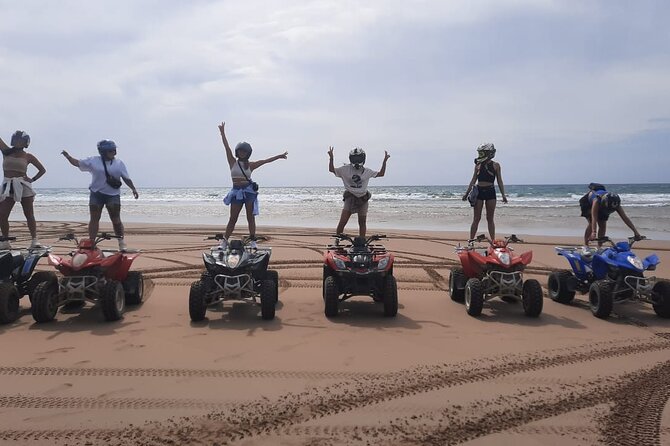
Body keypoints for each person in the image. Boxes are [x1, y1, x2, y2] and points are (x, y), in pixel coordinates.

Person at [218, 122, 287, 250]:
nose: (242, 153)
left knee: (250, 217)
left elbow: (265, 161)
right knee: (233, 218)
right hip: (236, 192)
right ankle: (224, 241)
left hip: (249, 192)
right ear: (237, 152)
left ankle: (253, 240)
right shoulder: (232, 162)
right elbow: (226, 147)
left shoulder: (251, 165)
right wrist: (222, 133)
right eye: (240, 151)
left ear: (248, 153)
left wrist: (279, 156)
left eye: (244, 151)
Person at [61, 140, 139, 251]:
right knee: (94, 219)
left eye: (114, 150)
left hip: (113, 195)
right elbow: (77, 163)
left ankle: (121, 242)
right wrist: (68, 156)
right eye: (110, 150)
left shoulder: (119, 163)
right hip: (96, 194)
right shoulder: (93, 161)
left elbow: (126, 178)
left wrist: (133, 189)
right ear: (103, 152)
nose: (114, 152)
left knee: (116, 219)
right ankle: (91, 243)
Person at [328, 146, 390, 237]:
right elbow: (332, 170)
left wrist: (384, 161)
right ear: (350, 159)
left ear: (363, 159)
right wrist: (331, 158)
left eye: (359, 158)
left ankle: (362, 241)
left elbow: (381, 174)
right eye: (354, 159)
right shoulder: (345, 169)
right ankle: (337, 241)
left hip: (363, 199)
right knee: (342, 222)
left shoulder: (367, 171)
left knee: (362, 222)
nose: (356, 161)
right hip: (350, 198)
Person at [0, 130, 47, 249]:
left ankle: (34, 240)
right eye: (15, 140)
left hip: (22, 184)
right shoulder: (6, 152)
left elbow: (42, 170)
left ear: (25, 143)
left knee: (29, 214)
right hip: (8, 185)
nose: (17, 142)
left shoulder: (28, 156)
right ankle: (5, 241)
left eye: (20, 140)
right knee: (2, 214)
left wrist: (33, 179)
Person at [462, 143, 507, 240]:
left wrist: (503, 194)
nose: (480, 155)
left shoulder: (496, 165)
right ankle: (471, 240)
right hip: (479, 192)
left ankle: (493, 240)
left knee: (490, 219)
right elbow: (473, 180)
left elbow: (499, 180)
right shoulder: (478, 165)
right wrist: (466, 193)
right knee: (476, 218)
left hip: (490, 192)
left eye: (482, 153)